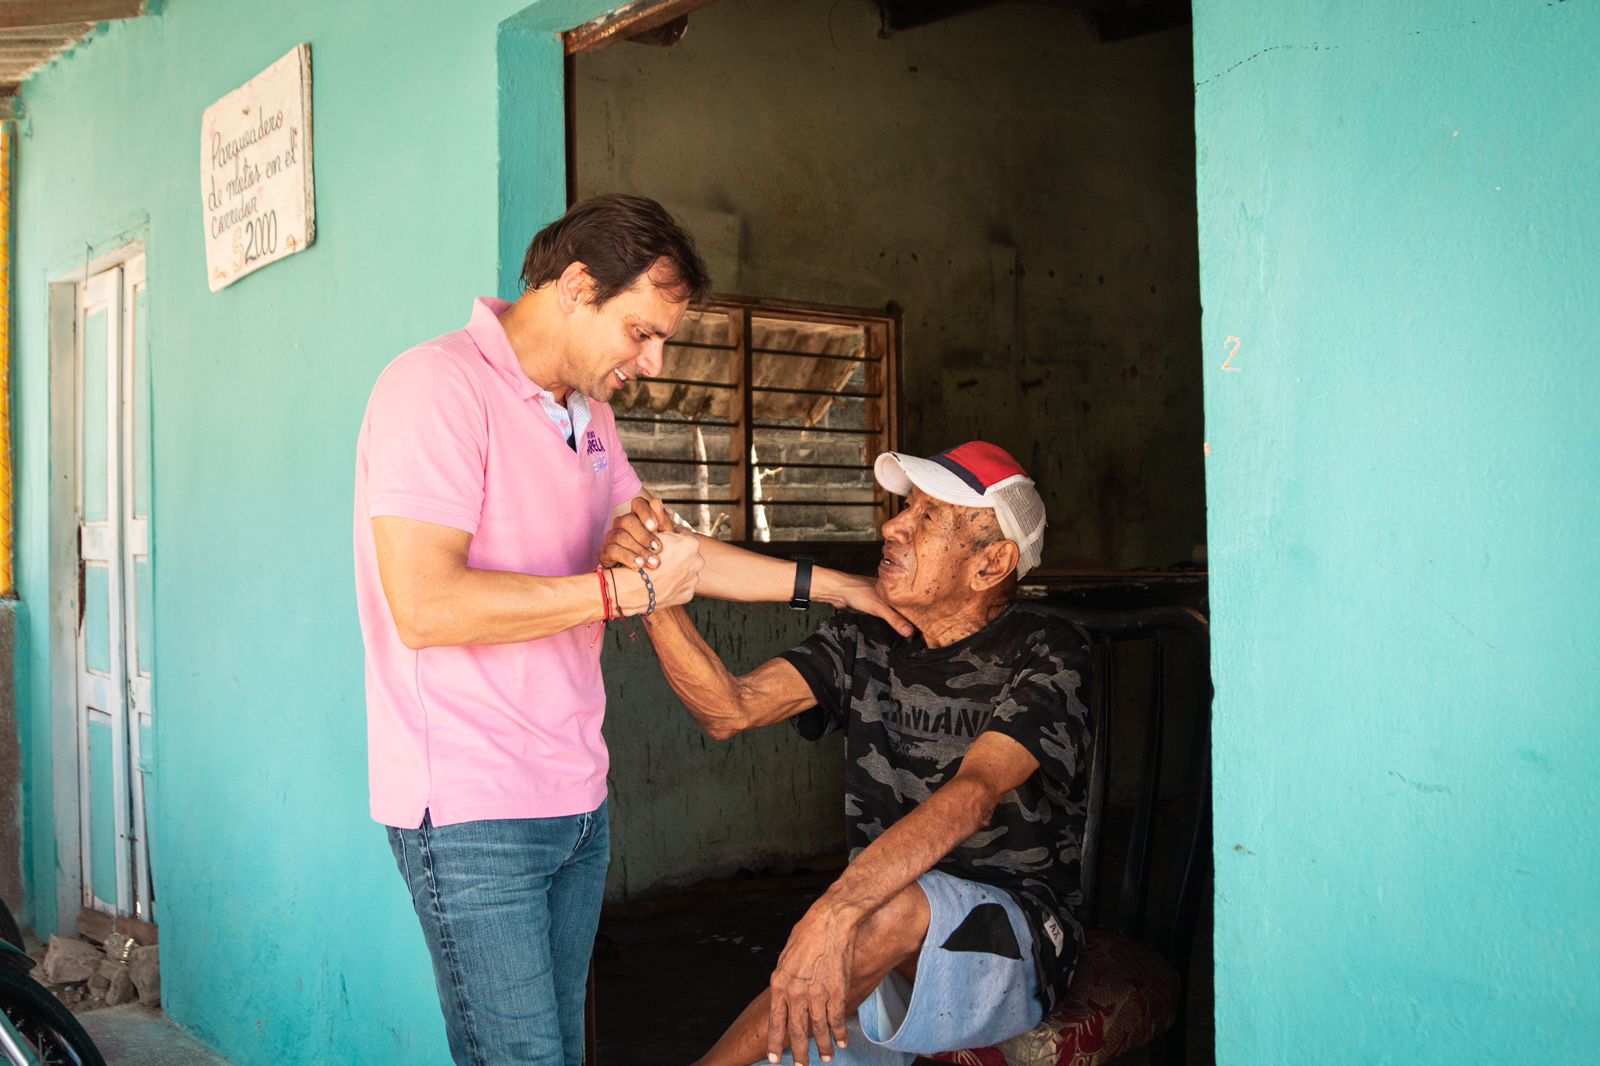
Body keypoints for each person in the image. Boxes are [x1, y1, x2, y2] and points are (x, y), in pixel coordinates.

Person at [353, 194, 903, 1066]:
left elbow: (676, 555)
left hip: (576, 799)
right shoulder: (434, 388)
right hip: (468, 806)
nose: (651, 361)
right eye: (641, 333)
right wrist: (622, 596)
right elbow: (426, 606)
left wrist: (841, 587)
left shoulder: (587, 414)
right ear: (576, 287)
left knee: (561, 1053)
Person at [605, 441, 1090, 1066]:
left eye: (927, 517)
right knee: (864, 933)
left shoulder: (1048, 648)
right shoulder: (867, 634)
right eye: (904, 507)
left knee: (878, 916)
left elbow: (974, 796)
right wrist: (654, 591)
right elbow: (731, 708)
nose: (893, 525)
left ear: (991, 563)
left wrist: (832, 911)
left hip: (1016, 938)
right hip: (875, 924)